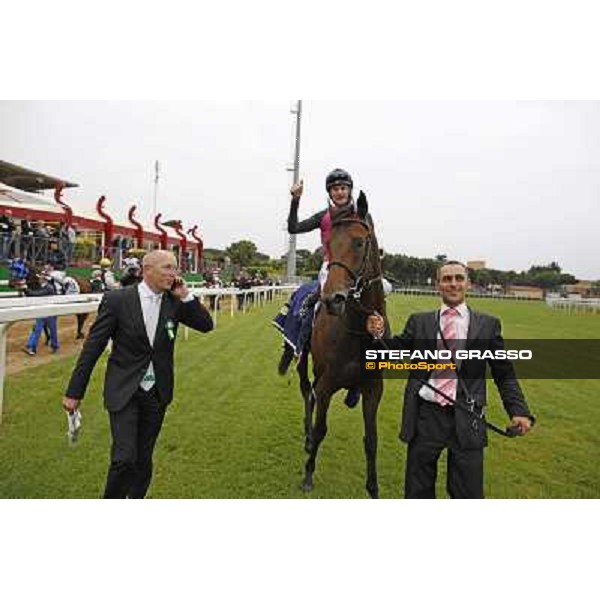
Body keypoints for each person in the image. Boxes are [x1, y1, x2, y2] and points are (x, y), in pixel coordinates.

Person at [366, 260, 535, 499]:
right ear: (438, 285)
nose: (453, 284)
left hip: (468, 416)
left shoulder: (488, 325)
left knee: (467, 493)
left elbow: (503, 372)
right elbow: (393, 351)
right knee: (417, 491)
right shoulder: (420, 321)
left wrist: (518, 410)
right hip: (426, 416)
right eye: (447, 279)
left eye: (458, 278)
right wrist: (379, 333)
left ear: (468, 283)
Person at [63, 250, 214, 499]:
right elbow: (93, 348)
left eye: (175, 268)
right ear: (147, 270)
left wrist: (187, 296)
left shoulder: (175, 300)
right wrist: (74, 392)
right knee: (124, 458)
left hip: (157, 393)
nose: (173, 273)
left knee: (143, 459)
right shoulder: (117, 300)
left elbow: (206, 326)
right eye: (167, 267)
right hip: (124, 390)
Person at [285, 168, 361, 407]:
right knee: (315, 302)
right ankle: (304, 343)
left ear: (349, 190)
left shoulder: (361, 214)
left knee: (379, 297)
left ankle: (362, 377)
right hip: (331, 266)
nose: (340, 192)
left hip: (354, 267)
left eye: (343, 188)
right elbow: (293, 227)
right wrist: (295, 200)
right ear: (330, 192)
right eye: (335, 189)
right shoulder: (323, 216)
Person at [23, 272, 59, 355]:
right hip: (42, 312)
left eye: (41, 278)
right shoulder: (43, 287)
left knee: (52, 331)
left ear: (45, 279)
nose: (39, 279)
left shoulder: (49, 288)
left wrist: (26, 289)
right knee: (37, 330)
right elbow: (33, 295)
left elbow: (36, 295)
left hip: (50, 313)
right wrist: (25, 289)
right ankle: (32, 348)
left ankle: (54, 346)